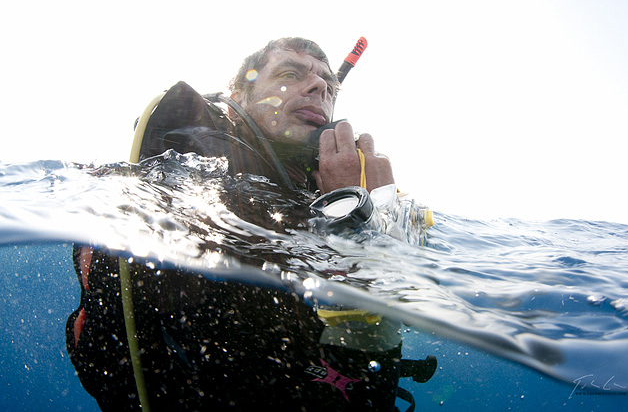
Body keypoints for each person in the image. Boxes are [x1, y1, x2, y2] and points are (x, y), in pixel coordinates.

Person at [66, 37, 435, 411]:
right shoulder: (193, 167)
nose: (318, 87)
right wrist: (351, 222)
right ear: (238, 95)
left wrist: (378, 214)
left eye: (328, 85)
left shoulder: (318, 188)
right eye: (290, 74)